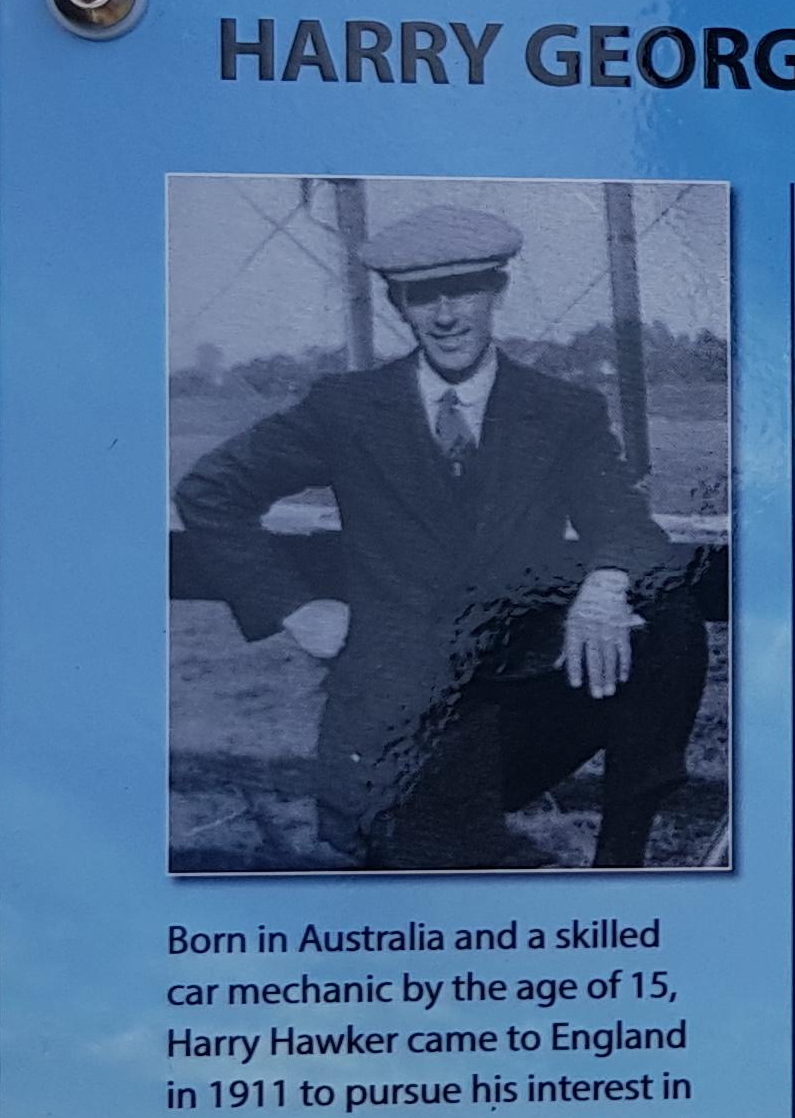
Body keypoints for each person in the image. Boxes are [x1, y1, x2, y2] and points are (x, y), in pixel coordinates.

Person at [174, 202, 707, 869]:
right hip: (402, 716)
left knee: (668, 613)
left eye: (463, 290)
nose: (446, 315)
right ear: (399, 305)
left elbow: (626, 524)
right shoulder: (344, 408)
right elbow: (208, 492)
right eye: (423, 296)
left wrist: (603, 588)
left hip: (522, 698)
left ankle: (620, 860)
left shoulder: (561, 410)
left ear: (497, 292)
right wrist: (294, 608)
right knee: (453, 871)